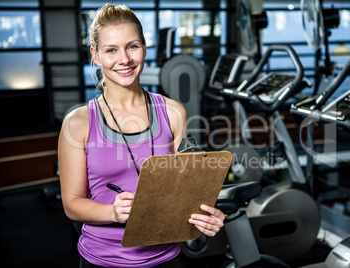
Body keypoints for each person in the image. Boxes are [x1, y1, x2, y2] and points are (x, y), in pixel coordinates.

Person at [58, 3, 225, 268]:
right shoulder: (78, 123)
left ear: (144, 48)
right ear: (96, 55)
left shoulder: (173, 113)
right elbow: (72, 204)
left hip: (166, 257)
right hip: (102, 260)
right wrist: (112, 211)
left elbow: (187, 187)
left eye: (132, 46)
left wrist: (207, 213)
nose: (124, 59)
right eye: (111, 50)